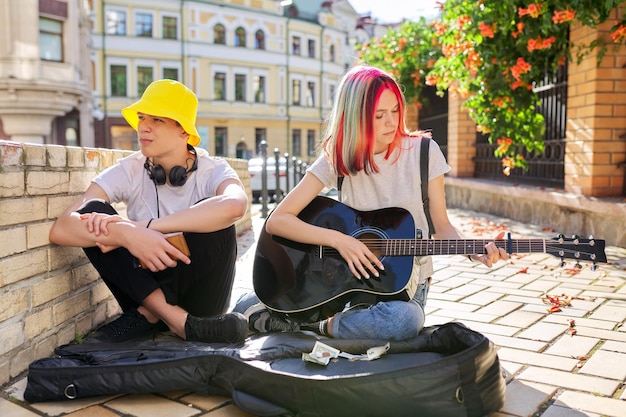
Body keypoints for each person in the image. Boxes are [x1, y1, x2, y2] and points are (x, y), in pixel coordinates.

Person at [234, 65, 509, 341]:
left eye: (395, 111)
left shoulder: (425, 153)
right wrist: (340, 241)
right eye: (379, 115)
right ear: (355, 118)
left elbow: (442, 226)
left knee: (405, 321)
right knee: (245, 305)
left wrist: (475, 250)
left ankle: (309, 326)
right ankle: (329, 321)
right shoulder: (338, 158)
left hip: (403, 289)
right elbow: (279, 221)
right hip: (345, 284)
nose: (392, 122)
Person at [49, 79, 249, 344]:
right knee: (98, 214)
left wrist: (143, 229)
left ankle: (158, 316)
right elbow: (62, 228)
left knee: (211, 212)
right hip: (147, 294)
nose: (143, 127)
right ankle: (174, 321)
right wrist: (121, 232)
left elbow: (235, 205)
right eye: (142, 118)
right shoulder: (130, 168)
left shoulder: (213, 170)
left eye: (157, 119)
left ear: (183, 132)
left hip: (204, 302)